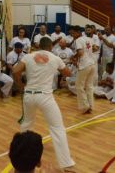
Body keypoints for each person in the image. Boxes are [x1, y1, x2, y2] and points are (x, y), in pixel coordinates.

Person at [12, 37, 75, 171]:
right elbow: (68, 73)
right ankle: (66, 164)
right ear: (50, 46)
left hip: (29, 95)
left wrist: (20, 86)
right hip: (45, 96)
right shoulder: (55, 58)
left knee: (26, 124)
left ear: (39, 46)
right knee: (57, 128)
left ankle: (22, 156)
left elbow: (15, 71)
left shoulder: (28, 56)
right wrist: (67, 64)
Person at [71, 25, 95, 114]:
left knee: (79, 86)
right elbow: (95, 48)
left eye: (73, 33)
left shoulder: (78, 40)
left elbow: (80, 53)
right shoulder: (88, 39)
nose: (72, 35)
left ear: (78, 32)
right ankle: (91, 105)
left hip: (85, 65)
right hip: (92, 64)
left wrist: (74, 56)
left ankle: (85, 106)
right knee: (89, 86)